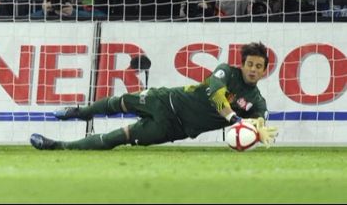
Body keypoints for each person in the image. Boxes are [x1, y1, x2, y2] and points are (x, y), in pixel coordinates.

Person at [30, 42, 278, 151]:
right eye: (250, 64)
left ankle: (58, 146)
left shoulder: (257, 102)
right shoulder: (226, 70)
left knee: (120, 137)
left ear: (264, 70)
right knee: (121, 101)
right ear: (242, 64)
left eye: (259, 67)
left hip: (173, 128)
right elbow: (215, 92)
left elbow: (258, 121)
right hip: (167, 100)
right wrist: (234, 119)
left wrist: (257, 130)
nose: (253, 70)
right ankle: (80, 112)